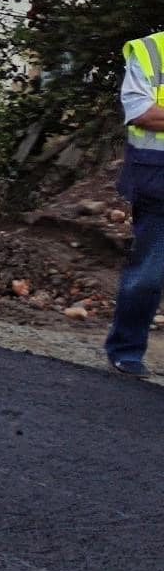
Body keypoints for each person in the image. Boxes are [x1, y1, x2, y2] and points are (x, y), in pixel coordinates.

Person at [106, 29, 164, 377]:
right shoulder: (149, 50)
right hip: (159, 180)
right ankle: (126, 349)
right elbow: (141, 111)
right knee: (148, 273)